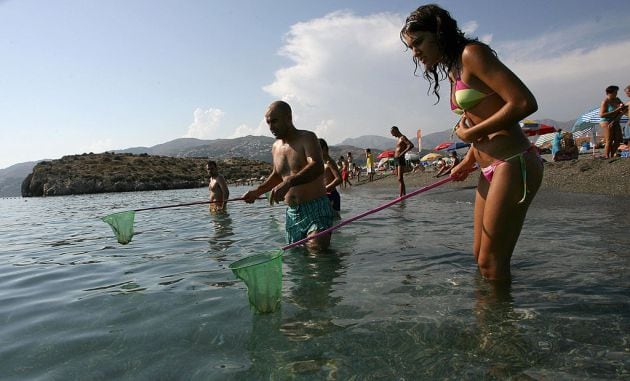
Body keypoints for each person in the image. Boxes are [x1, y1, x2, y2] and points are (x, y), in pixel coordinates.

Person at [401, 4, 543, 282]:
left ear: (439, 34)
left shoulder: (472, 54)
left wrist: (469, 134)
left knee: (492, 263)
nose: (415, 52)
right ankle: (489, 321)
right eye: (410, 47)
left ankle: (500, 326)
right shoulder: (453, 69)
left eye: (418, 43)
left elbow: (524, 102)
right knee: (480, 258)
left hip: (513, 163)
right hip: (488, 168)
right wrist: (468, 161)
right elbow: (482, 114)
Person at [242, 101, 334, 250]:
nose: (271, 127)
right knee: (297, 258)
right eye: (268, 123)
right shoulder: (275, 147)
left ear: (288, 118)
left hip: (316, 207)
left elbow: (317, 166)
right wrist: (257, 191)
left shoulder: (307, 138)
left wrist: (289, 182)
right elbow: (278, 175)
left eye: (275, 121)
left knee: (317, 251)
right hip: (292, 213)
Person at [599, 85, 627, 158]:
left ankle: (612, 154)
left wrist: (622, 107)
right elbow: (601, 115)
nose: (616, 94)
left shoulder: (617, 99)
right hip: (606, 121)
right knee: (609, 140)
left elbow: (623, 108)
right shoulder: (605, 102)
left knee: (618, 139)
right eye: (615, 92)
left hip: (615, 120)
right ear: (609, 93)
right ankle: (606, 156)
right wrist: (616, 110)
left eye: (616, 92)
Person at [319, 138, 342, 218]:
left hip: (332, 195)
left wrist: (325, 188)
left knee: (334, 220)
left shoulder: (329, 162)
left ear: (324, 149)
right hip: (324, 196)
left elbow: (339, 179)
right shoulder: (322, 163)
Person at [390, 125, 414, 196]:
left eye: (392, 133)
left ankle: (401, 196)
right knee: (399, 179)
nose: (392, 134)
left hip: (400, 158)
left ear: (396, 130)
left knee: (400, 178)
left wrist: (402, 153)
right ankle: (403, 195)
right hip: (396, 159)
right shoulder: (398, 139)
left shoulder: (403, 137)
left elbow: (411, 145)